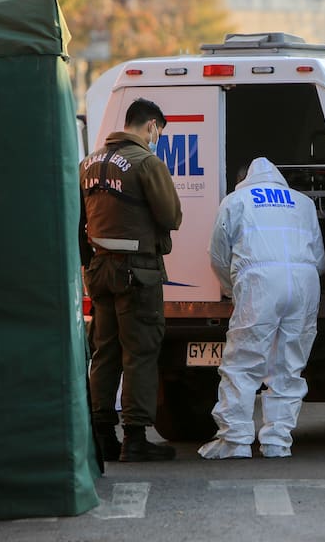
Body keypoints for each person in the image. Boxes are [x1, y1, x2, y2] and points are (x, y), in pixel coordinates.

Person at [198, 157, 325, 459]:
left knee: (242, 363)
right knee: (289, 365)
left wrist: (232, 291)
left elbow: (218, 254)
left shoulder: (236, 200)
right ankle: (277, 442)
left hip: (260, 282)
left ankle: (236, 440)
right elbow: (319, 258)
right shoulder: (303, 202)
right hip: (305, 282)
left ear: (243, 178)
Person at [79, 98, 182, 462]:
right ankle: (135, 439)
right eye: (158, 133)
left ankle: (102, 435)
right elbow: (171, 217)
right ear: (151, 125)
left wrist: (88, 266)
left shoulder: (88, 164)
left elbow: (79, 225)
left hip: (100, 272)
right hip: (137, 273)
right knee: (139, 352)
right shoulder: (147, 163)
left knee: (104, 352)